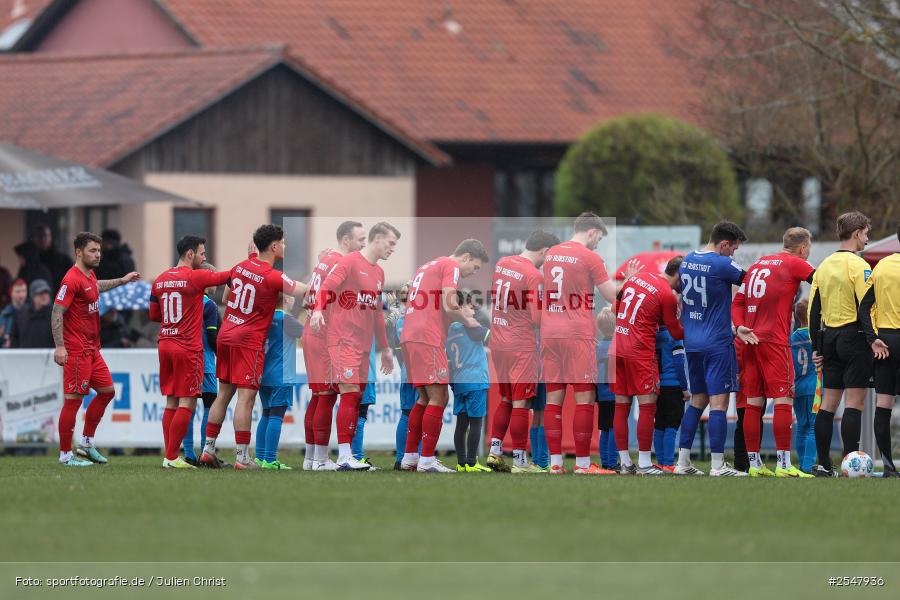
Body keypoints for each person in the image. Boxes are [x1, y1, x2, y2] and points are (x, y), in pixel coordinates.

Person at [200, 225, 310, 470]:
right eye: (282, 242)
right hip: (247, 341)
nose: (284, 247)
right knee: (246, 397)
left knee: (223, 395)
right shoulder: (274, 275)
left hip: (226, 334)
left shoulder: (239, 267)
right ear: (273, 246)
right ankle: (242, 457)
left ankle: (208, 450)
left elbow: (227, 299)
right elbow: (303, 291)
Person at [309, 222, 399, 471]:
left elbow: (377, 315)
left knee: (354, 396)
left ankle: (342, 456)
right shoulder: (349, 262)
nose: (393, 249)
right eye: (391, 243)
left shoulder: (379, 273)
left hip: (362, 344)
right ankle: (344, 455)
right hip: (341, 339)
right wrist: (317, 311)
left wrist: (385, 349)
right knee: (348, 392)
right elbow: (326, 288)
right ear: (378, 239)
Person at [733, 227, 816, 478]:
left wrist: (738, 328)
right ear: (803, 248)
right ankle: (783, 464)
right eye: (808, 249)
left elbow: (737, 302)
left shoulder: (759, 264)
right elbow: (823, 281)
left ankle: (755, 465)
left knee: (753, 403)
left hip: (749, 338)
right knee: (783, 400)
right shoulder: (795, 262)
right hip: (774, 341)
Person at [52, 232, 140, 466]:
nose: (98, 254)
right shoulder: (70, 280)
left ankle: (87, 445)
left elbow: (96, 286)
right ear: (79, 252)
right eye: (93, 250)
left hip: (93, 349)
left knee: (108, 391)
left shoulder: (89, 275)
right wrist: (60, 346)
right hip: (77, 349)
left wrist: (121, 280)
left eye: (99, 250)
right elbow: (56, 311)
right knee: (73, 401)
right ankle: (65, 455)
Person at [399, 239, 488, 473]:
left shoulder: (427, 265)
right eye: (476, 267)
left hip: (409, 335)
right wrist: (469, 320)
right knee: (439, 398)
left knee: (423, 399)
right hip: (428, 336)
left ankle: (410, 457)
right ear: (466, 256)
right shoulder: (452, 266)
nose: (473, 273)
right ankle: (427, 460)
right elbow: (450, 305)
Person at [540, 212, 617, 475]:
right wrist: (629, 283)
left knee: (554, 399)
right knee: (585, 397)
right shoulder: (590, 257)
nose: (597, 244)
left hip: (550, 332)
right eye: (599, 239)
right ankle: (583, 465)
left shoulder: (551, 254)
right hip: (577, 333)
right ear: (593, 231)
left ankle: (556, 463)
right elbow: (611, 295)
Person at [676, 221, 752, 477]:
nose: (733, 254)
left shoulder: (687, 259)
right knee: (719, 404)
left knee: (698, 401)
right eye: (733, 249)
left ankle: (682, 462)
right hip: (717, 342)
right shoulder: (720, 263)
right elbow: (752, 281)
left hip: (693, 342)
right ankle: (718, 465)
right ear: (723, 244)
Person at [150, 235, 230, 469]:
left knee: (171, 402)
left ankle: (170, 454)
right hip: (187, 347)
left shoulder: (160, 279)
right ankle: (173, 457)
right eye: (202, 253)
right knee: (188, 402)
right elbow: (226, 276)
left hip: (165, 343)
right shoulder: (195, 277)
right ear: (190, 254)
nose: (204, 258)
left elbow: (155, 315)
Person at [486, 229, 559, 473]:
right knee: (521, 403)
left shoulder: (502, 263)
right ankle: (519, 461)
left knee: (506, 398)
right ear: (545, 251)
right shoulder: (533, 276)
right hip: (520, 345)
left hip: (497, 341)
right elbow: (537, 319)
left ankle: (495, 452)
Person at [808, 212, 873, 477]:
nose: (868, 239)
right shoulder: (860, 266)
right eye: (867, 233)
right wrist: (874, 339)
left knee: (828, 404)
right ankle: (850, 465)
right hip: (855, 337)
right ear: (857, 233)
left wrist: (816, 348)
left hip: (830, 338)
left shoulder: (823, 265)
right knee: (854, 404)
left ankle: (823, 464)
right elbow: (868, 307)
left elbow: (813, 310)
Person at [612, 256, 684, 475]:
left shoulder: (637, 278)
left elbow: (617, 309)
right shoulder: (667, 295)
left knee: (621, 407)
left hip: (616, 347)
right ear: (679, 275)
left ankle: (625, 462)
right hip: (640, 352)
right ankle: (644, 463)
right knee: (647, 405)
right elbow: (676, 332)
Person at [304, 221, 367, 470]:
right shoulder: (342, 262)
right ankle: (319, 460)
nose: (364, 244)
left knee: (318, 397)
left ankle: (312, 459)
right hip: (324, 333)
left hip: (313, 329)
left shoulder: (327, 258)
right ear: (346, 239)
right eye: (360, 239)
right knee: (327, 396)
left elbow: (312, 288)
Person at [858, 221, 900, 477]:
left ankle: (888, 467)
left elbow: (864, 308)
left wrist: (872, 338)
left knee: (883, 404)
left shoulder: (882, 265)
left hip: (886, 342)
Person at [255, 295, 303, 470]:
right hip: (282, 375)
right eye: (291, 295)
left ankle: (260, 457)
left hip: (264, 374)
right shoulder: (286, 319)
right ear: (286, 300)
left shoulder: (265, 317)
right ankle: (269, 459)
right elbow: (309, 333)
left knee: (266, 414)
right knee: (276, 415)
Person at [447, 291, 492, 473]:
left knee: (461, 424)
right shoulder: (472, 327)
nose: (473, 308)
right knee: (476, 423)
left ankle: (461, 462)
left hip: (459, 381)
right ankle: (472, 463)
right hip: (475, 380)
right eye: (469, 305)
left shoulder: (451, 329)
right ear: (460, 308)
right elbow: (492, 336)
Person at [386, 285, 418, 470]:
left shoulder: (399, 321)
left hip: (406, 370)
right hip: (420, 371)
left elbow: (398, 349)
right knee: (420, 413)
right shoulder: (419, 318)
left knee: (406, 414)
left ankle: (400, 458)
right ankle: (418, 456)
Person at [654, 324, 688, 471]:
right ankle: (668, 463)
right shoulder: (675, 335)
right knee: (671, 426)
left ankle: (660, 462)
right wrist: (684, 388)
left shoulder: (654, 335)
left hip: (658, 386)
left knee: (659, 425)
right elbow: (679, 363)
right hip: (674, 385)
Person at [790, 298, 818, 474]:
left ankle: (802, 464)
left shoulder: (792, 338)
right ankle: (809, 466)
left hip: (798, 387)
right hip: (815, 387)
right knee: (814, 427)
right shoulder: (815, 335)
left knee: (801, 426)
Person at [595, 307, 618, 470]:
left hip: (602, 394)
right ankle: (612, 461)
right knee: (615, 428)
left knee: (604, 428)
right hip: (615, 392)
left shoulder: (598, 347)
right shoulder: (617, 345)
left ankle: (605, 461)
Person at [350, 340, 379, 466]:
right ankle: (357, 457)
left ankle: (351, 455)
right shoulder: (367, 321)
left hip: (354, 373)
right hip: (364, 374)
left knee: (355, 415)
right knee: (360, 417)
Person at [9, 279, 54, 348]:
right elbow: (14, 336)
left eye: (46, 292)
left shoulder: (54, 314)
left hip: (48, 356)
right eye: (40, 293)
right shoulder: (22, 313)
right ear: (33, 296)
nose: (44, 296)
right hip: (24, 356)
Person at [33, 224, 73, 292]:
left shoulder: (63, 260)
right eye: (39, 236)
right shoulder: (32, 261)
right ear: (35, 239)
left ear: (50, 237)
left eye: (45, 236)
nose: (42, 239)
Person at [1, 278, 27, 347]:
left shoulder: (31, 314)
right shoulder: (4, 315)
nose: (21, 295)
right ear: (11, 293)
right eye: (18, 291)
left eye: (24, 291)